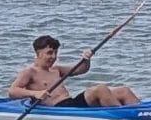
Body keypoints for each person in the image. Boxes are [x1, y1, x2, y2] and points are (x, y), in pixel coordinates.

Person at [8, 33, 138, 108]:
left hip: (71, 103)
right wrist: (35, 94)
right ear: (38, 53)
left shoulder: (56, 69)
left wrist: (86, 59)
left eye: (55, 53)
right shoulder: (30, 72)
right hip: (59, 108)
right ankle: (125, 118)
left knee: (123, 91)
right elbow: (13, 91)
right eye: (49, 53)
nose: (53, 57)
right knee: (100, 89)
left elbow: (82, 70)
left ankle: (142, 114)